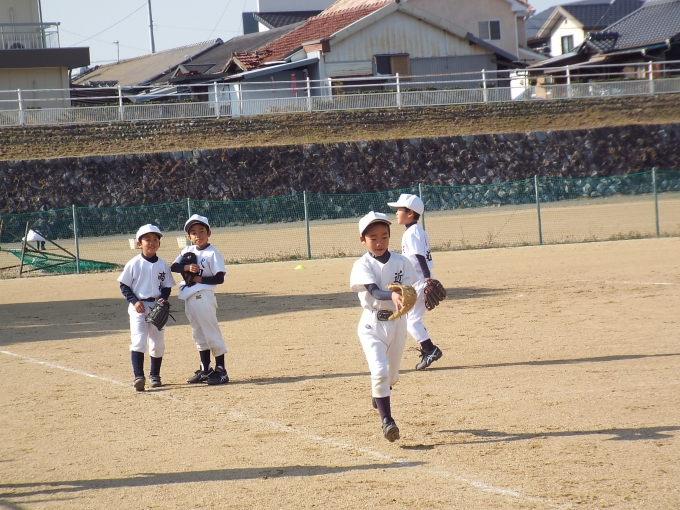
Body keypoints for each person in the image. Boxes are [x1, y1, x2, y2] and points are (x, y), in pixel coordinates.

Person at [349, 211, 416, 442]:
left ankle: (379, 394)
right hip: (372, 324)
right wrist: (394, 294)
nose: (379, 242)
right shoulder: (362, 264)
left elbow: (409, 290)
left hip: (397, 324)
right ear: (362, 239)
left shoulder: (401, 262)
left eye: (384, 237)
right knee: (379, 372)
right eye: (373, 238)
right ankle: (387, 421)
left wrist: (415, 294)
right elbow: (375, 291)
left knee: (391, 377)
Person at [171, 214, 229, 386]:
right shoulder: (187, 251)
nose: (198, 235)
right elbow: (174, 267)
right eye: (194, 232)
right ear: (189, 237)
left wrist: (198, 279)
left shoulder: (212, 253)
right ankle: (206, 369)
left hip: (203, 296)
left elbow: (219, 278)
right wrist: (186, 267)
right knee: (198, 334)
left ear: (209, 233)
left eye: (202, 231)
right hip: (189, 297)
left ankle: (221, 370)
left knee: (211, 332)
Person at [387, 194, 443, 370]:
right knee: (412, 319)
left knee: (411, 321)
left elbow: (419, 256)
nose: (396, 213)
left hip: (419, 280)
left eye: (399, 210)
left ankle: (430, 350)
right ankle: (429, 349)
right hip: (419, 278)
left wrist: (426, 278)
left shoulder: (411, 233)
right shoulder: (418, 230)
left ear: (410, 213)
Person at [117, 224, 176, 391]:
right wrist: (135, 301)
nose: (152, 242)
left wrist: (163, 300)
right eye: (147, 239)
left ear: (159, 243)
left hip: (156, 306)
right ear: (139, 244)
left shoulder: (162, 265)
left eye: (155, 239)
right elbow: (124, 285)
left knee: (157, 343)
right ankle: (139, 376)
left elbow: (167, 287)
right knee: (138, 340)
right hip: (138, 307)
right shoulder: (134, 263)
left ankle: (155, 375)